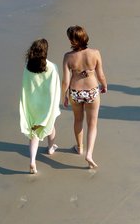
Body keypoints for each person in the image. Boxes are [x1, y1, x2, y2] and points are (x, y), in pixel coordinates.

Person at [62, 25, 107, 169]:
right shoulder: (95, 53)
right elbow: (100, 74)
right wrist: (104, 85)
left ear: (72, 40)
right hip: (92, 91)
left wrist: (64, 95)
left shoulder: (68, 57)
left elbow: (65, 81)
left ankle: (80, 147)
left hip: (75, 92)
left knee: (78, 120)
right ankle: (89, 154)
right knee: (92, 124)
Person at [20, 39, 61, 174]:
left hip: (32, 105)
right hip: (46, 105)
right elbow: (54, 89)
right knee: (50, 125)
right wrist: (54, 105)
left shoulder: (28, 68)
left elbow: (25, 88)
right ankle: (50, 147)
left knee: (34, 134)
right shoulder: (51, 67)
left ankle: (32, 161)